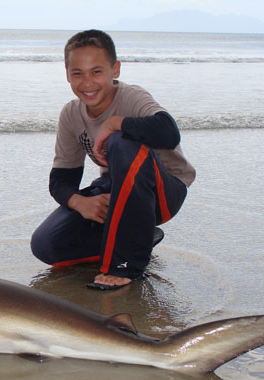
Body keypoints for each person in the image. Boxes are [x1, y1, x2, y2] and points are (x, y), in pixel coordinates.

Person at [30, 29, 196, 290]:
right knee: (46, 246)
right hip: (116, 188)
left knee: (121, 140)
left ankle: (125, 264)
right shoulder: (71, 114)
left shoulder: (131, 96)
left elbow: (169, 132)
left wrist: (115, 123)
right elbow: (61, 179)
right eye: (77, 73)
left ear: (115, 69)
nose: (87, 83)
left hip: (162, 191)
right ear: (67, 75)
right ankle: (139, 237)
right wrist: (80, 202)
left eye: (96, 72)